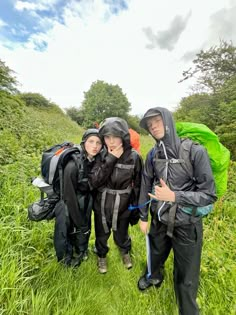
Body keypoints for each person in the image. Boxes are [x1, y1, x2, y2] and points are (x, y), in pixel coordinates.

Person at [137, 107, 217, 315]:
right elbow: (145, 185)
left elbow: (209, 194)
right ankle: (154, 276)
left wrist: (175, 197)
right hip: (159, 219)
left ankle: (188, 309)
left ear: (167, 121)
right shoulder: (153, 154)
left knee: (186, 274)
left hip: (187, 224)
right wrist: (143, 216)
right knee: (155, 254)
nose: (152, 126)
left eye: (156, 121)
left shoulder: (195, 151)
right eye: (149, 124)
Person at [89, 117, 143, 274]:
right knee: (101, 233)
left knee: (122, 233)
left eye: (115, 136)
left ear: (123, 136)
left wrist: (136, 209)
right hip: (103, 202)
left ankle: (125, 252)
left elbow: (138, 184)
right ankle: (101, 255)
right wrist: (111, 159)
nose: (111, 141)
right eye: (107, 137)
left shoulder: (134, 157)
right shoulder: (100, 154)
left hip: (124, 203)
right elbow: (94, 181)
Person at [54, 129, 103, 267]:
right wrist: (78, 221)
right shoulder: (72, 166)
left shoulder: (93, 160)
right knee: (72, 229)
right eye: (91, 141)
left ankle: (82, 251)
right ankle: (68, 259)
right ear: (84, 142)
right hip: (71, 204)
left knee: (85, 227)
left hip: (85, 202)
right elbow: (69, 196)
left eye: (98, 143)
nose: (95, 146)